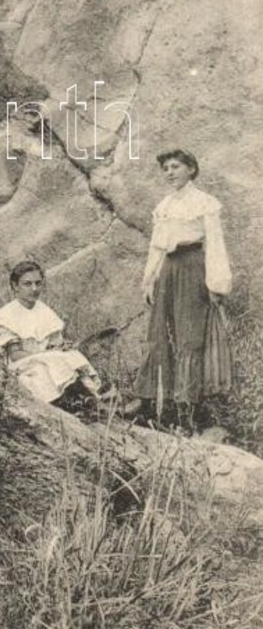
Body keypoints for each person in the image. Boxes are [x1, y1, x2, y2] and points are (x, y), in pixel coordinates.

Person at [133, 148, 233, 431]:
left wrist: (216, 284)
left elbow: (214, 244)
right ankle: (152, 404)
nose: (170, 173)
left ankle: (187, 409)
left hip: (193, 269)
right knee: (159, 334)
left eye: (175, 166)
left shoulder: (204, 203)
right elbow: (157, 247)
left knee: (189, 337)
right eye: (165, 168)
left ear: (191, 168)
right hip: (168, 270)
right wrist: (149, 280)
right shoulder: (164, 205)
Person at [0, 259, 103, 406]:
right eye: (27, 284)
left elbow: (54, 343)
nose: (34, 288)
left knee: (72, 355)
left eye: (38, 283)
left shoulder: (43, 310)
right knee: (49, 365)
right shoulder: (6, 315)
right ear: (15, 286)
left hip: (45, 357)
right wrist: (47, 354)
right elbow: (15, 354)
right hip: (21, 364)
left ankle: (87, 397)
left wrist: (62, 347)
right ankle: (67, 400)